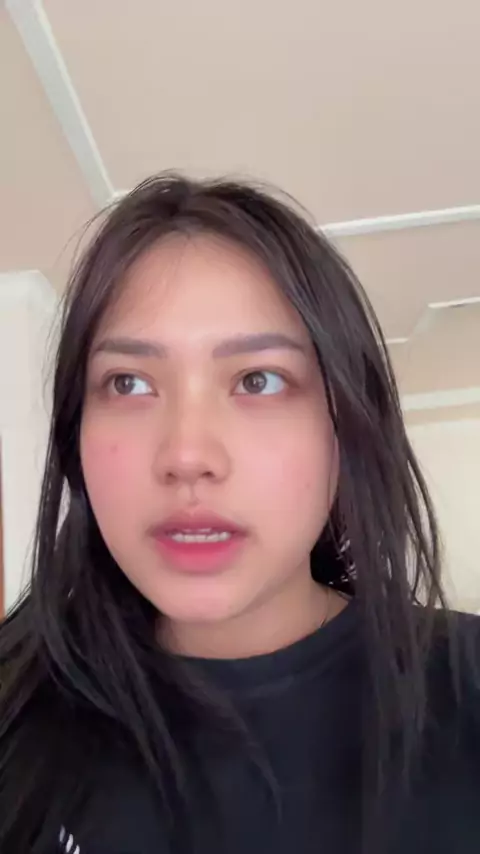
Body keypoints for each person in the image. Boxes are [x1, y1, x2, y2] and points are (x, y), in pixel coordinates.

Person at [0, 174, 479, 854]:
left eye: (259, 380)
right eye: (128, 383)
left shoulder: (466, 687)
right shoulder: (15, 710)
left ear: (345, 424)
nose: (187, 455)